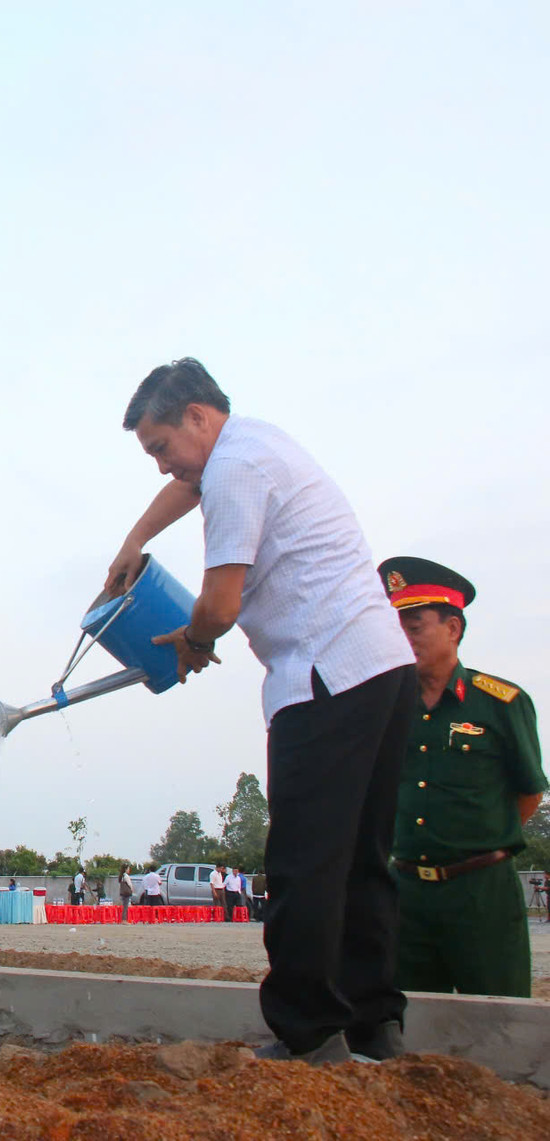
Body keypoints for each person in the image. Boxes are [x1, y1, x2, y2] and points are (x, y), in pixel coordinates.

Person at [108, 358, 416, 1065]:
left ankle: (309, 1033)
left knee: (306, 859)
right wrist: (135, 541)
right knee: (365, 859)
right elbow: (188, 483)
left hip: (326, 676)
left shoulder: (235, 473)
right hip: (382, 667)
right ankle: (376, 1025)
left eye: (159, 447)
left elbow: (219, 604)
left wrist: (190, 640)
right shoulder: (256, 443)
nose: (161, 468)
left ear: (197, 416)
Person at [378, 556, 547, 999]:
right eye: (397, 628)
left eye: (414, 627)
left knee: (496, 1020)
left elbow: (529, 791)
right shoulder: (389, 707)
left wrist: (478, 840)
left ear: (452, 628)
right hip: (408, 891)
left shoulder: (500, 702)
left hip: (481, 892)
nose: (404, 639)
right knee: (411, 1023)